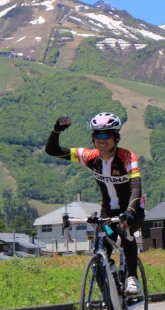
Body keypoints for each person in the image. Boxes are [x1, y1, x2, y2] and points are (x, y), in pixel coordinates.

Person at [46, 113, 145, 299]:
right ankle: (109, 304)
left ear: (115, 137)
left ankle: (132, 277)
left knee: (125, 230)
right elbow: (52, 150)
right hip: (108, 212)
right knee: (99, 257)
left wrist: (130, 211)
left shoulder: (126, 157)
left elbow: (135, 186)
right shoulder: (89, 156)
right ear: (93, 138)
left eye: (106, 135)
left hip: (132, 210)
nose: (102, 140)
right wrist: (57, 130)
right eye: (98, 135)